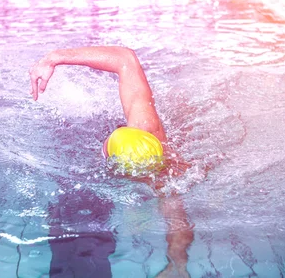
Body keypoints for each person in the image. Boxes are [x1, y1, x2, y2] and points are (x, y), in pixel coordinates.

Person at [30, 46, 193, 278]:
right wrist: (53, 57)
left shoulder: (165, 177)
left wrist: (178, 265)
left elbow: (179, 223)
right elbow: (124, 57)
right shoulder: (143, 124)